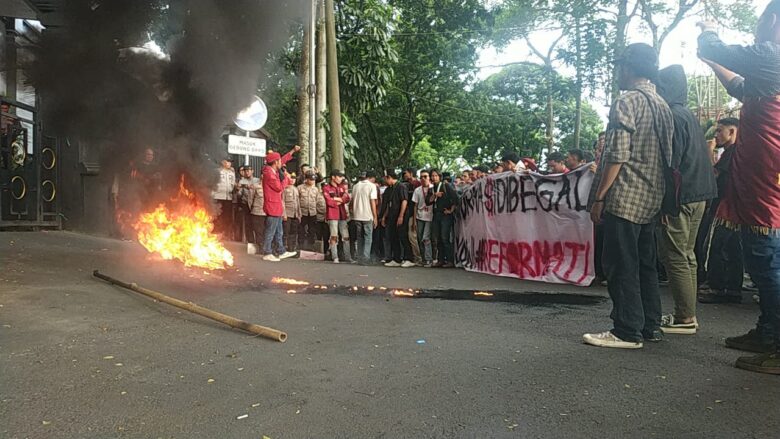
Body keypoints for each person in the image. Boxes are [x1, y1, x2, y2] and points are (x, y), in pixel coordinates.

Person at [698, 3, 780, 374]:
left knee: (767, 261)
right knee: (761, 258)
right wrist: (712, 64)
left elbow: (714, 47)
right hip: (757, 180)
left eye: (763, 18)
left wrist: (709, 29)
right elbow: (739, 86)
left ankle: (777, 344)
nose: (757, 26)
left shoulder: (772, 54)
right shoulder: (768, 68)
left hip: (766, 182)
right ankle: (767, 331)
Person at [583, 43, 674, 349]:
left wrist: (599, 197)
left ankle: (626, 330)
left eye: (620, 66)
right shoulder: (662, 104)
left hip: (625, 195)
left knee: (620, 263)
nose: (617, 71)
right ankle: (651, 325)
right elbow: (669, 157)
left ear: (629, 68)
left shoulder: (628, 101)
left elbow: (618, 154)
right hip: (652, 195)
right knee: (645, 264)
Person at [654, 64, 719, 335]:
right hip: (701, 193)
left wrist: (667, 202)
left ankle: (684, 317)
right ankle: (687, 313)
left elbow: (671, 164)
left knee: (675, 255)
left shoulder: (671, 116)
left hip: (681, 196)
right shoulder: (689, 116)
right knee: (688, 255)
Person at [698, 118, 744, 304]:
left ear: (732, 132)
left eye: (720, 131)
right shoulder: (737, 152)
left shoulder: (731, 152)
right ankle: (732, 288)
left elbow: (713, 176)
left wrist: (708, 151)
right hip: (734, 207)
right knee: (732, 248)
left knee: (713, 246)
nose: (716, 135)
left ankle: (716, 286)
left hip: (724, 208)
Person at [261, 146, 301, 262]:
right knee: (271, 230)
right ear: (275, 162)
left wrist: (293, 151)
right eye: (279, 161)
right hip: (272, 205)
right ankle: (267, 252)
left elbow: (283, 159)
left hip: (276, 206)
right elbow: (278, 187)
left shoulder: (273, 169)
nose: (281, 163)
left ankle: (281, 250)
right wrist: (286, 179)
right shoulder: (269, 173)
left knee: (279, 231)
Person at [381, 172, 415, 268]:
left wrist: (401, 215)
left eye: (386, 178)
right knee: (393, 237)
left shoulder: (401, 186)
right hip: (391, 215)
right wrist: (384, 216)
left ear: (390, 177)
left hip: (401, 214)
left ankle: (409, 258)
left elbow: (404, 201)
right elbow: (387, 204)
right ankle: (396, 258)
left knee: (403, 236)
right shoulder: (388, 189)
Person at [429, 169, 458, 268]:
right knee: (438, 238)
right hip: (436, 214)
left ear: (439, 176)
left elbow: (455, 198)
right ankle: (441, 260)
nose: (434, 178)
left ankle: (450, 260)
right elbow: (428, 201)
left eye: (436, 176)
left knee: (445, 237)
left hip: (445, 214)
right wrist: (434, 195)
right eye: (432, 176)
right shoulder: (432, 189)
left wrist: (451, 210)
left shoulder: (446, 186)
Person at [322, 170, 353, 264]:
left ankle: (348, 257)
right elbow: (328, 201)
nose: (341, 178)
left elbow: (347, 198)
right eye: (339, 177)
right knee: (334, 236)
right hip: (332, 215)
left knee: (346, 237)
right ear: (333, 177)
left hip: (342, 215)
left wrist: (337, 199)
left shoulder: (342, 187)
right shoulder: (326, 188)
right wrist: (339, 201)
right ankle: (335, 257)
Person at [352, 170, 379, 264]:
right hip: (367, 216)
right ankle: (366, 258)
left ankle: (360, 257)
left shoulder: (355, 186)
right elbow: (373, 202)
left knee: (359, 237)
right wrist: (375, 217)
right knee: (368, 237)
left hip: (357, 215)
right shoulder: (372, 186)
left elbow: (351, 202)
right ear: (372, 178)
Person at [412, 170, 434, 267]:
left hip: (430, 217)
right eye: (421, 177)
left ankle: (429, 259)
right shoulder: (417, 190)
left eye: (425, 176)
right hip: (420, 216)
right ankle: (423, 258)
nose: (423, 179)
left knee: (426, 238)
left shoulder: (433, 188)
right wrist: (414, 220)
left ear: (429, 177)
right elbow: (415, 206)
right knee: (420, 238)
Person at [402, 168, 422, 264]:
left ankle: (418, 257)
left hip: (416, 214)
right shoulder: (407, 184)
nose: (404, 175)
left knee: (412, 236)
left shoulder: (417, 184)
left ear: (410, 173)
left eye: (405, 173)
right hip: (409, 213)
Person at [212, 157, 236, 237]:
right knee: (217, 216)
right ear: (222, 162)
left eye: (230, 162)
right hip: (218, 197)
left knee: (227, 217)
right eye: (227, 161)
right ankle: (215, 232)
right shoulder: (217, 172)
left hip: (228, 197)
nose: (229, 163)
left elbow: (233, 184)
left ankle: (225, 233)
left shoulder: (232, 173)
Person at [298, 171, 320, 250]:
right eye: (311, 179)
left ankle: (311, 246)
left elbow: (317, 201)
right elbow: (297, 200)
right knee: (301, 229)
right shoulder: (300, 188)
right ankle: (300, 245)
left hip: (312, 212)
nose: (312, 181)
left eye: (313, 180)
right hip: (302, 212)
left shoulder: (316, 189)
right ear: (306, 179)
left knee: (312, 230)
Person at [237, 165, 259, 243]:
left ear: (252, 171)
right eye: (245, 171)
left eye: (248, 170)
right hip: (246, 204)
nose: (247, 172)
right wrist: (238, 189)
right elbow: (239, 195)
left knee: (256, 223)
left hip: (255, 204)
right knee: (248, 223)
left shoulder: (257, 180)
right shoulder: (242, 181)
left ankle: (258, 241)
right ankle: (251, 241)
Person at [283, 169, 301, 254]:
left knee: (293, 232)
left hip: (295, 214)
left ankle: (291, 248)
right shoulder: (285, 189)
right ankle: (283, 247)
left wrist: (299, 214)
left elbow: (298, 203)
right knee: (285, 231)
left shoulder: (296, 189)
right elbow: (282, 201)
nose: (293, 180)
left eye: (294, 179)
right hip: (287, 213)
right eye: (291, 178)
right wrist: (284, 214)